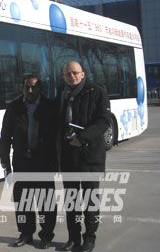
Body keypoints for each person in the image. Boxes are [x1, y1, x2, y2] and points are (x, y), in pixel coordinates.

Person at [56, 61, 110, 252]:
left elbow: (104, 121)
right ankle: (73, 238)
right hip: (69, 156)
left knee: (90, 201)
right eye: (68, 73)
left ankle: (89, 239)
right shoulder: (62, 94)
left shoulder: (96, 92)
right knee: (71, 201)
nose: (72, 76)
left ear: (83, 74)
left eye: (75, 73)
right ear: (64, 76)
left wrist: (83, 138)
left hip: (89, 155)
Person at [0, 75, 57, 249]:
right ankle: (26, 234)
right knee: (23, 201)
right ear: (22, 88)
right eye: (27, 87)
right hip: (21, 161)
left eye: (34, 87)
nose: (30, 91)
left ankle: (46, 235)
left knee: (45, 201)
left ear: (40, 89)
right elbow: (5, 137)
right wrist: (5, 163)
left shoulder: (49, 107)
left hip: (43, 162)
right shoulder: (14, 108)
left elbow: (56, 137)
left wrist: (56, 163)